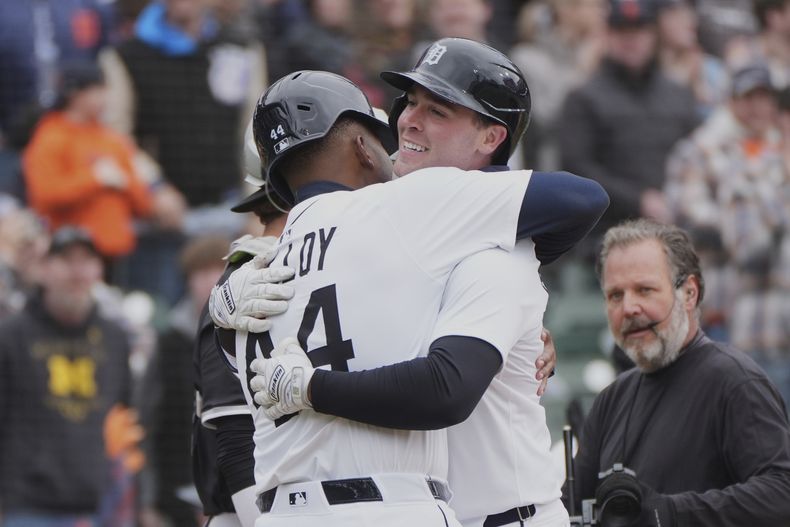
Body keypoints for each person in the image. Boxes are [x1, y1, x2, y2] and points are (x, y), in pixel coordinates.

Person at [218, 39, 608, 527]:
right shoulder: (393, 228)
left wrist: (522, 261)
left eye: (438, 110)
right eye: (410, 104)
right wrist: (226, 296)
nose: (408, 121)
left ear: (490, 138)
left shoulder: (492, 255)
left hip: (506, 517)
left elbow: (445, 387)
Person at [566, 219, 790, 526]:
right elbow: (565, 509)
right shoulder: (611, 400)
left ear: (689, 294)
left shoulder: (734, 381)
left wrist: (667, 513)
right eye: (615, 295)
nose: (628, 307)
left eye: (644, 290)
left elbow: (781, 494)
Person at [0, 226, 139, 527]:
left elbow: (125, 419)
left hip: (100, 506)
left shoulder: (114, 338)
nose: (77, 272)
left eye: (86, 260)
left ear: (99, 270)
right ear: (45, 269)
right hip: (27, 506)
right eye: (66, 260)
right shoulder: (11, 336)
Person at [559, 0, 698, 238]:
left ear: (653, 35)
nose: (631, 40)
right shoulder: (583, 98)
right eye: (622, 31)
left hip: (674, 230)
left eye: (639, 31)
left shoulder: (679, 95)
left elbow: (697, 156)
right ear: (608, 35)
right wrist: (638, 200)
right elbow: (576, 168)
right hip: (604, 234)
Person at [139, 235, 231, 527]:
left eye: (216, 271)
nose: (208, 281)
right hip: (174, 497)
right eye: (199, 273)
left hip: (235, 494)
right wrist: (147, 500)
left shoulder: (245, 338)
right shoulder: (167, 343)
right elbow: (146, 423)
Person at [22, 62, 155, 261]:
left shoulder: (111, 139)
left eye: (104, 90)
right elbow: (44, 195)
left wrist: (123, 183)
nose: (104, 99)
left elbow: (144, 202)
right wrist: (94, 179)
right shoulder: (50, 137)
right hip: (71, 255)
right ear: (74, 93)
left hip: (117, 252)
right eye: (96, 90)